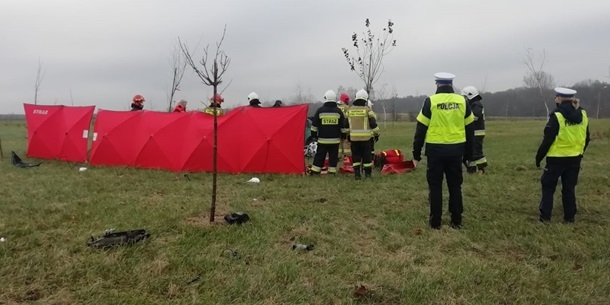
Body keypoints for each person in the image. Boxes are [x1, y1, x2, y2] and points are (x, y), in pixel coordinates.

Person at [412, 72, 475, 230]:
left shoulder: (431, 101)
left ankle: (435, 222)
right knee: (455, 186)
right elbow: (470, 129)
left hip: (435, 151)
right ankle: (456, 220)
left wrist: (416, 153)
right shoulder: (463, 101)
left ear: (438, 84)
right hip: (456, 150)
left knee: (435, 187)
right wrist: (469, 154)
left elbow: (421, 129)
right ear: (451, 84)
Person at [535, 87, 590, 223]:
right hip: (575, 158)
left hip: (556, 159)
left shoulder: (557, 116)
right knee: (569, 188)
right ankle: (569, 217)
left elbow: (548, 140)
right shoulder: (582, 114)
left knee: (548, 187)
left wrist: (538, 157)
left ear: (559, 99)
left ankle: (545, 218)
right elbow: (587, 137)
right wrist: (580, 152)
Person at [309, 90, 348, 175]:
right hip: (335, 140)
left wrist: (314, 136)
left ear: (326, 98)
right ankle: (332, 171)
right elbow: (343, 126)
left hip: (322, 140)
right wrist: (343, 136)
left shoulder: (320, 110)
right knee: (333, 157)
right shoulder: (338, 111)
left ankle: (315, 171)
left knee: (320, 156)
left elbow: (314, 126)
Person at [346, 89, 380, 179]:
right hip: (366, 139)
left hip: (354, 139)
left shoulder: (349, 110)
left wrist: (348, 135)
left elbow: (346, 126)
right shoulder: (367, 110)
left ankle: (357, 174)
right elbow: (373, 124)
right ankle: (368, 175)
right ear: (365, 99)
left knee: (355, 157)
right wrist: (376, 134)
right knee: (367, 157)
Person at [461, 86, 487, 174]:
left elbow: (474, 117)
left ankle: (481, 168)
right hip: (472, 133)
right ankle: (471, 169)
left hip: (477, 133)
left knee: (476, 151)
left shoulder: (477, 104)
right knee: (470, 152)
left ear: (469, 95)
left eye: (464, 97)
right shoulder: (472, 104)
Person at [338, 93, 351, 157]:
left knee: (339, 142)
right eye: (347, 100)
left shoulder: (337, 106)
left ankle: (338, 156)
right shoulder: (347, 107)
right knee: (346, 142)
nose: (348, 101)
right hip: (345, 128)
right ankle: (347, 156)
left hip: (337, 128)